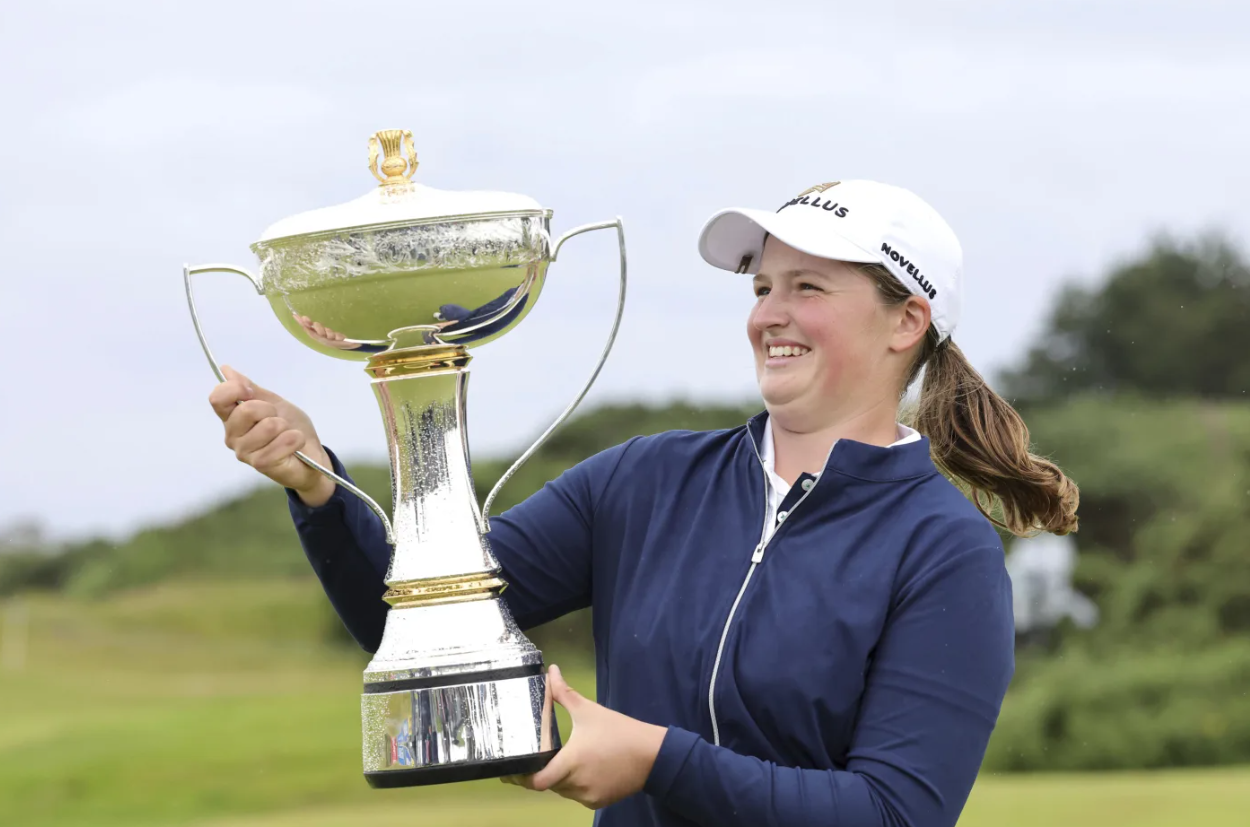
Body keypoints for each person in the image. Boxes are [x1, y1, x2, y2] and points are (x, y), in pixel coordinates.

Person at [209, 179, 1079, 827]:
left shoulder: (944, 550)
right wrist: (319, 484)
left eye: (809, 287)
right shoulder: (644, 480)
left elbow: (894, 813)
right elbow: (416, 621)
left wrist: (660, 760)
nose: (770, 314)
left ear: (905, 322)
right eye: (762, 286)